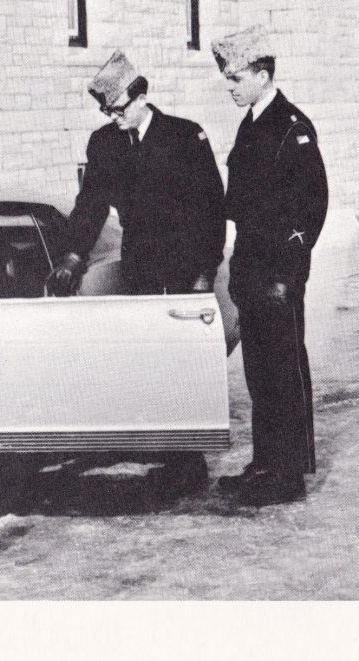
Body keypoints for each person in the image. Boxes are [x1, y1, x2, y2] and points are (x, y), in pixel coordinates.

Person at [211, 26, 328, 506]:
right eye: (227, 77)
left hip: (278, 273)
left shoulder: (292, 127)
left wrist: (287, 275)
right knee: (260, 373)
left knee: (284, 372)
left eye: (236, 77)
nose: (230, 86)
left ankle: (288, 474)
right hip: (252, 268)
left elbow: (311, 206)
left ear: (262, 75)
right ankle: (266, 463)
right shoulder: (254, 122)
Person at [47, 50, 225, 296]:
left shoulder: (184, 136)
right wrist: (74, 256)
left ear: (141, 99)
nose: (114, 117)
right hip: (138, 269)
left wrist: (205, 272)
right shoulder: (104, 142)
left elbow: (211, 207)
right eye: (107, 111)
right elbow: (91, 204)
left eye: (119, 110)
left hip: (186, 269)